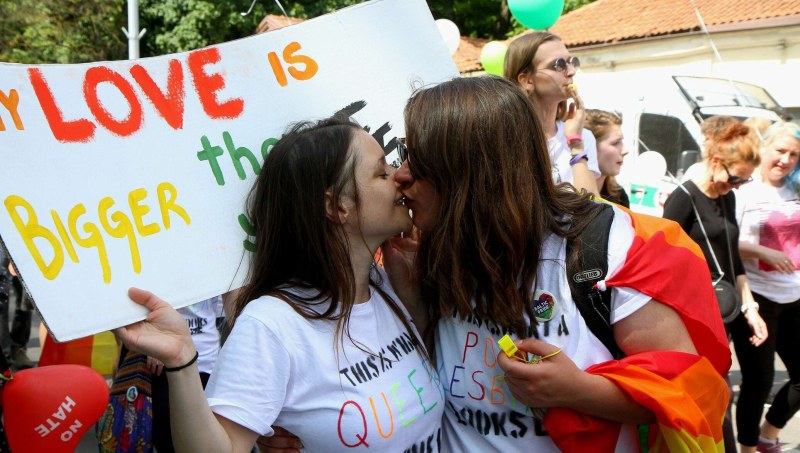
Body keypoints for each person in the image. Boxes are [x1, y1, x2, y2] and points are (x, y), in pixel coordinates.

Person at [393, 76, 730, 451]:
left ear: (471, 172)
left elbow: (686, 390)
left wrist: (578, 391)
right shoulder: (430, 245)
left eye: (417, 159)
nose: (400, 174)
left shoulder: (606, 246)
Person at [114, 117, 443, 452]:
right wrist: (182, 359)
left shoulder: (386, 288)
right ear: (336, 205)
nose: (400, 177)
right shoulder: (270, 324)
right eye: (381, 171)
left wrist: (412, 296)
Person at [663, 122, 768, 453]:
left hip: (728, 309)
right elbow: (665, 263)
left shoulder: (727, 199)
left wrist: (751, 308)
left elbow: (733, 260)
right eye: (734, 177)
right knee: (717, 393)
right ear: (714, 158)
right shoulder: (682, 199)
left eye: (744, 180)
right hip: (698, 316)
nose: (735, 186)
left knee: (750, 382)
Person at [733, 121, 800, 453]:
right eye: (780, 151)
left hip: (794, 296)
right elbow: (726, 244)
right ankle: (746, 448)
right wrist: (761, 250)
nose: (786, 160)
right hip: (756, 298)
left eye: (794, 154)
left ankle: (768, 434)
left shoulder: (796, 189)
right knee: (757, 384)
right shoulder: (744, 192)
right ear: (763, 148)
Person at [504, 31, 599, 195]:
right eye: (559, 64)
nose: (571, 71)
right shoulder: (504, 138)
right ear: (527, 80)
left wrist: (576, 144)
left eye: (571, 62)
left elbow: (591, 203)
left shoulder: (582, 136)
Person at [585, 109, 629, 207]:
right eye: (615, 143)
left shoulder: (619, 196)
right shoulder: (564, 195)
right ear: (590, 146)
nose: (625, 151)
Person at [681, 115, 740, 182]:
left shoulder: (699, 171)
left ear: (721, 141)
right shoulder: (742, 173)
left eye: (707, 139)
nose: (703, 143)